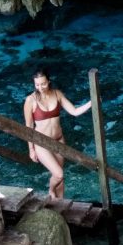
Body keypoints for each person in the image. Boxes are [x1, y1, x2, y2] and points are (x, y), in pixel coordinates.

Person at [23, 68, 92, 200]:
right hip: (41, 144)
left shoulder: (57, 94)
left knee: (61, 177)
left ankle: (60, 203)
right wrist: (31, 149)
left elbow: (75, 112)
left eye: (43, 84)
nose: (40, 87)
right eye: (37, 84)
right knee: (59, 174)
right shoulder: (30, 100)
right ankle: (51, 189)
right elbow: (29, 127)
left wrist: (91, 102)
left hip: (59, 140)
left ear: (48, 81)